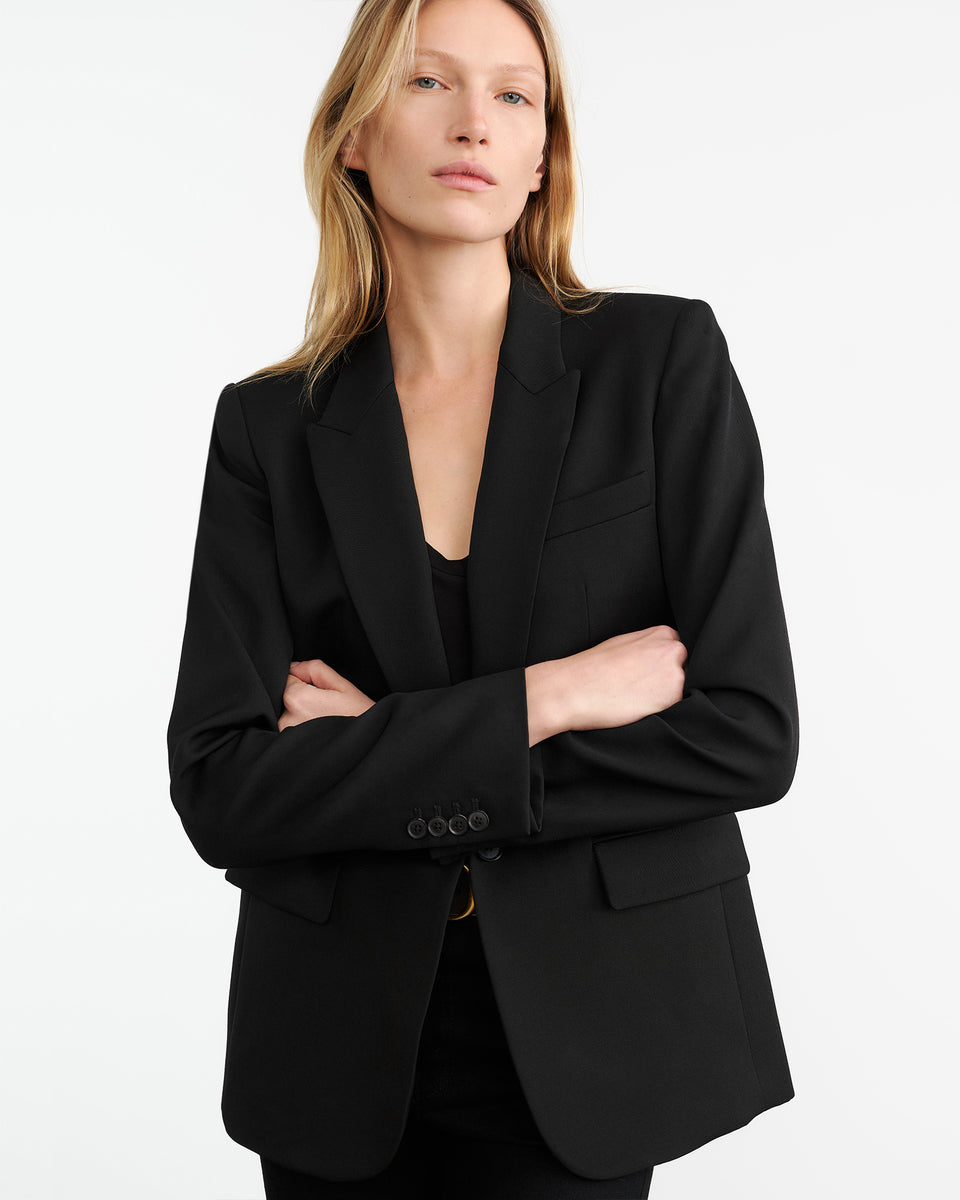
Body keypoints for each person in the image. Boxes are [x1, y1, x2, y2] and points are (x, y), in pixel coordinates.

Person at [166, 0, 799, 1196]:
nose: (475, 123)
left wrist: (385, 749)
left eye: (515, 95)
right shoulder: (269, 428)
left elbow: (747, 736)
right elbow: (223, 788)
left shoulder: (659, 364)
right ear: (354, 132)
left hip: (598, 1034)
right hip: (337, 1047)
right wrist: (547, 699)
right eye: (429, 82)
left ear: (541, 155)